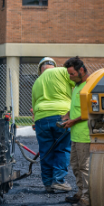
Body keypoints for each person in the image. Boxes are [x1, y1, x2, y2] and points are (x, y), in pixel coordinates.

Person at [32, 57, 75, 193]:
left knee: (46, 150)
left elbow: (33, 107)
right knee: (62, 148)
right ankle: (59, 181)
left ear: (40, 69)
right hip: (61, 114)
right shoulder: (63, 71)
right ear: (54, 65)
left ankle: (48, 183)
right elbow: (77, 85)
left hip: (41, 118)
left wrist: (36, 122)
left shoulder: (36, 82)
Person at [62, 57, 91, 206]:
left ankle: (87, 199)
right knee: (75, 165)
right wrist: (68, 115)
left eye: (72, 74)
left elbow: (92, 111)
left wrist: (73, 121)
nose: (70, 77)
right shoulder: (77, 86)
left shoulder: (89, 86)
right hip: (75, 134)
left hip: (84, 133)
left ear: (81, 70)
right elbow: (77, 108)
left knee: (84, 167)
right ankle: (81, 193)